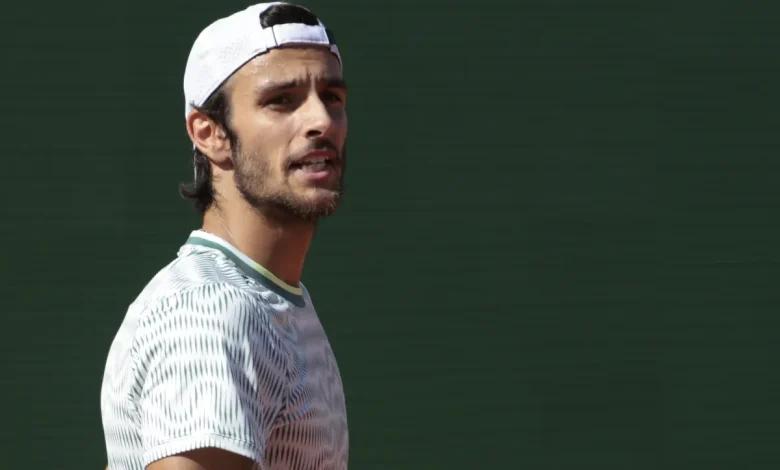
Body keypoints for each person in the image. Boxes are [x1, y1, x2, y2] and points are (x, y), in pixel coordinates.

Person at [100, 3, 350, 469]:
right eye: (282, 100)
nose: (321, 120)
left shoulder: (270, 300)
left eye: (332, 96)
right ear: (210, 133)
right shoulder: (211, 310)